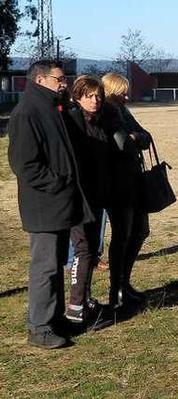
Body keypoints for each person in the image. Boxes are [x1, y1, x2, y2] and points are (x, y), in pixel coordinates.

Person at [8, 60, 93, 349]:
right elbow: (24, 164)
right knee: (44, 267)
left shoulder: (52, 107)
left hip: (59, 202)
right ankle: (39, 328)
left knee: (57, 264)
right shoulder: (28, 112)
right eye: (60, 78)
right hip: (44, 204)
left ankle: (55, 320)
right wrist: (58, 182)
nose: (65, 83)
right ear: (41, 79)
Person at [63, 76, 117, 324]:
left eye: (98, 96)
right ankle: (75, 306)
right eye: (89, 96)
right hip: (78, 197)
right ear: (77, 97)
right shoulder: (71, 121)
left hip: (98, 196)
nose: (95, 101)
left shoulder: (100, 121)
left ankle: (85, 298)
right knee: (81, 250)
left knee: (91, 249)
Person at [102, 72, 153, 308]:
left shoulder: (123, 111)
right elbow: (122, 143)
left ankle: (125, 282)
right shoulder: (107, 112)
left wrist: (136, 137)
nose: (127, 95)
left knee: (140, 231)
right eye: (122, 91)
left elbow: (146, 137)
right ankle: (116, 289)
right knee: (122, 236)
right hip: (117, 185)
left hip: (134, 179)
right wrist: (135, 138)